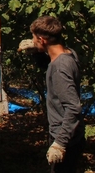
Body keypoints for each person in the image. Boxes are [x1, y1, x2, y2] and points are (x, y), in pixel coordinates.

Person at [18, 16, 85, 173]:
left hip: (65, 137)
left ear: (42, 40)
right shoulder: (69, 54)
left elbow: (73, 108)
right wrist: (37, 53)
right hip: (72, 134)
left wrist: (60, 143)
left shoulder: (60, 68)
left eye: (34, 39)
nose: (33, 41)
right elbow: (50, 61)